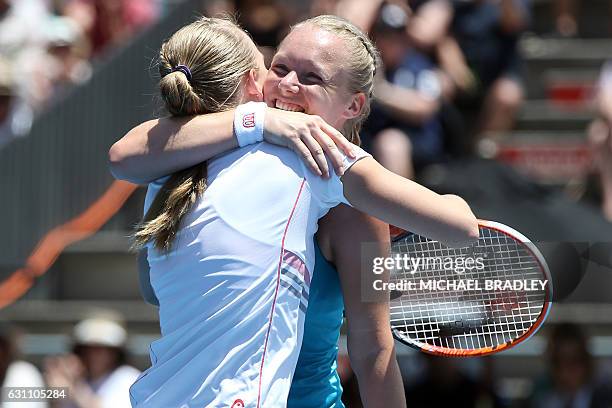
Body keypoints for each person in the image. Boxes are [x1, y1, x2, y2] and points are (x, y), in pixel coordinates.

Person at [110, 15, 478, 407]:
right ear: (257, 77)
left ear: (353, 105)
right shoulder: (189, 158)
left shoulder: (356, 209)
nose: (287, 84)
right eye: (280, 68)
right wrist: (262, 119)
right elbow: (123, 156)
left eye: (312, 77)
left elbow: (374, 351)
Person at [44, 314, 141, 408]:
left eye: (101, 349)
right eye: (88, 348)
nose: (93, 355)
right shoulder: (80, 380)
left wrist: (74, 389)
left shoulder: (127, 377)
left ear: (115, 352)